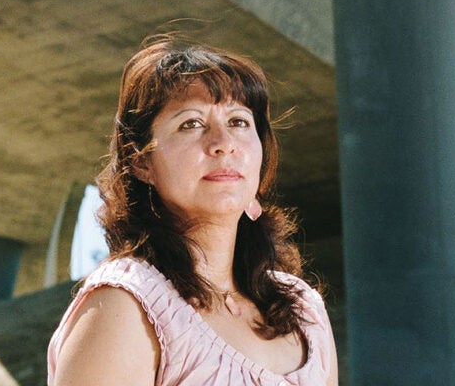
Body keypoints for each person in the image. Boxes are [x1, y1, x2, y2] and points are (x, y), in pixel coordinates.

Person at [47, 37, 338, 386]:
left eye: (238, 121)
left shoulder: (304, 309)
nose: (223, 144)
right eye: (191, 124)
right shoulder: (125, 306)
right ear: (141, 162)